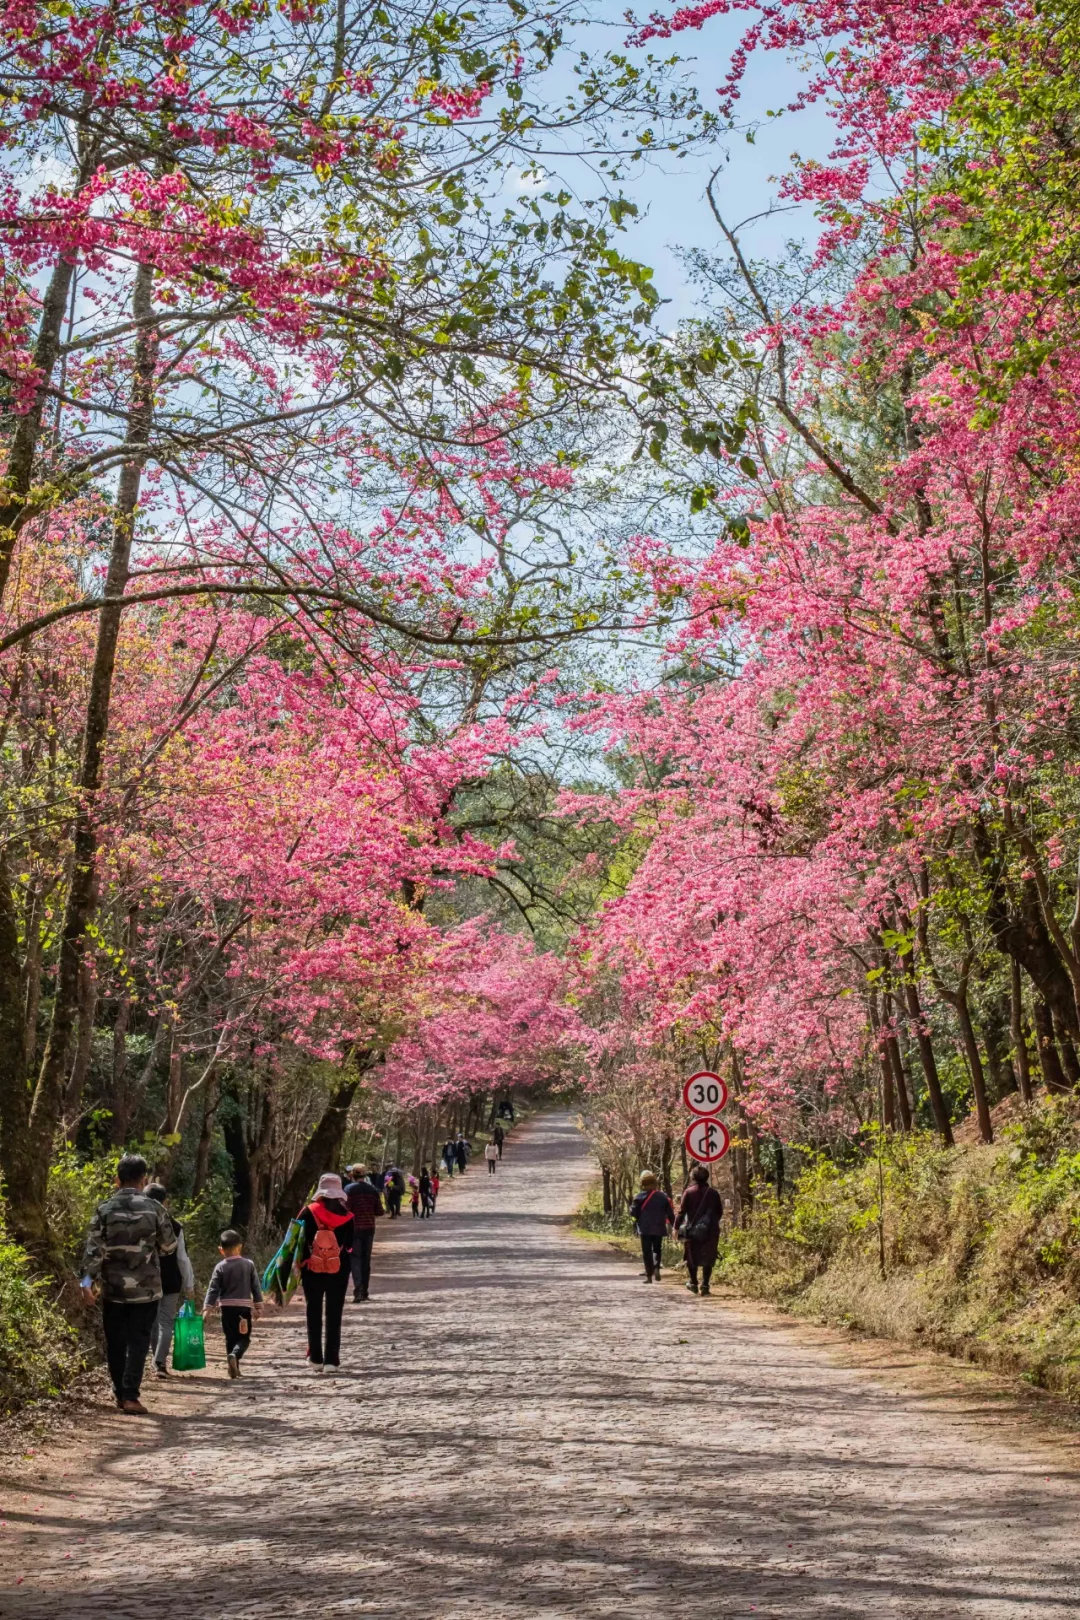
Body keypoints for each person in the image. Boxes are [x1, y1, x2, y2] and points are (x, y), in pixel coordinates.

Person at [80, 1154, 177, 1414]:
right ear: (144, 1178)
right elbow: (169, 1247)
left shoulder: (104, 1209)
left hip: (113, 1290)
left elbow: (93, 1252)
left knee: (116, 1341)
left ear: (117, 1179)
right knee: (139, 1341)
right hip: (146, 1290)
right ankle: (131, 1395)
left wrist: (86, 1283)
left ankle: (120, 1393)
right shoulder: (156, 1208)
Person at [298, 1173, 354, 1373]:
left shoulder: (307, 1212)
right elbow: (350, 1246)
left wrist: (303, 1260)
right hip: (337, 1271)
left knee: (313, 1311)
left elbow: (296, 1242)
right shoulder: (347, 1216)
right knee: (334, 1313)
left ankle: (315, 1358)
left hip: (311, 1270)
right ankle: (332, 1360)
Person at [146, 1182, 195, 1379]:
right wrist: (189, 1285)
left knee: (152, 1321)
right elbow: (183, 1259)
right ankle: (160, 1363)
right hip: (171, 1280)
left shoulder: (141, 1224)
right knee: (165, 1322)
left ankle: (156, 1360)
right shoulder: (175, 1226)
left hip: (147, 1281)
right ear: (165, 1202)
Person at [203, 1228, 263, 1377]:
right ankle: (235, 1356)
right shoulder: (249, 1264)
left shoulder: (220, 1267)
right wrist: (258, 1306)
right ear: (240, 1246)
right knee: (244, 1338)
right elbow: (256, 1287)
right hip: (243, 1310)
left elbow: (213, 1289)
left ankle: (233, 1365)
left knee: (230, 1337)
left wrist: (207, 1308)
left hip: (227, 1309)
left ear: (221, 1250)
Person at [677, 1165, 724, 1296]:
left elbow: (681, 1212)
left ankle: (693, 1283)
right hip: (711, 1231)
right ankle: (705, 1285)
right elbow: (719, 1212)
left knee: (692, 1256)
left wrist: (676, 1227)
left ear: (693, 1177)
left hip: (692, 1230)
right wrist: (709, 1223)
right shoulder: (713, 1193)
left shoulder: (688, 1192)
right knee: (709, 1256)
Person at [343, 1164, 383, 1302]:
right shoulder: (372, 1190)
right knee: (366, 1260)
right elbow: (379, 1211)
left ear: (352, 1175)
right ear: (365, 1175)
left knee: (355, 1259)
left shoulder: (348, 1190)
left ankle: (358, 1290)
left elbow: (344, 1210)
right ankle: (364, 1291)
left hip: (354, 1230)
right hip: (369, 1229)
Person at [629, 1171, 675, 1285]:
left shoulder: (638, 1197)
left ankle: (649, 1276)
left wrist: (637, 1215)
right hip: (659, 1227)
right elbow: (670, 1213)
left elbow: (633, 1213)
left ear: (642, 1184)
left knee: (646, 1251)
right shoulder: (663, 1197)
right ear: (655, 1183)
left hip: (645, 1228)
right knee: (657, 1249)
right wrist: (675, 1226)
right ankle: (657, 1267)